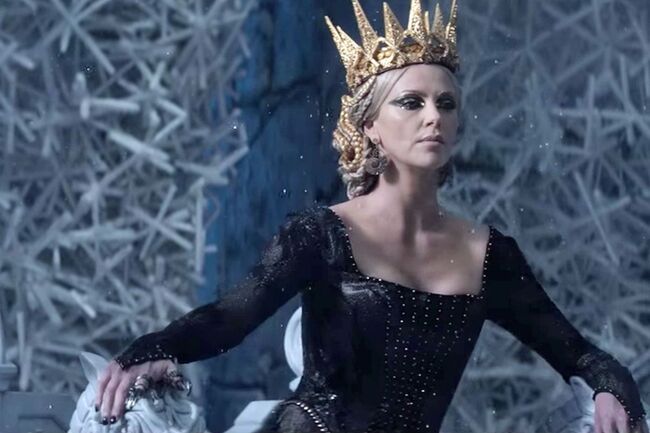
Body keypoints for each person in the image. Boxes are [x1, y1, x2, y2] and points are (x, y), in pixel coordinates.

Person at [95, 0, 648, 432]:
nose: (433, 117)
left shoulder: (489, 257)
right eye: (411, 102)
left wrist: (609, 388)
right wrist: (152, 349)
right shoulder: (322, 235)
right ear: (370, 127)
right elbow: (228, 319)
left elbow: (578, 354)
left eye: (446, 103)